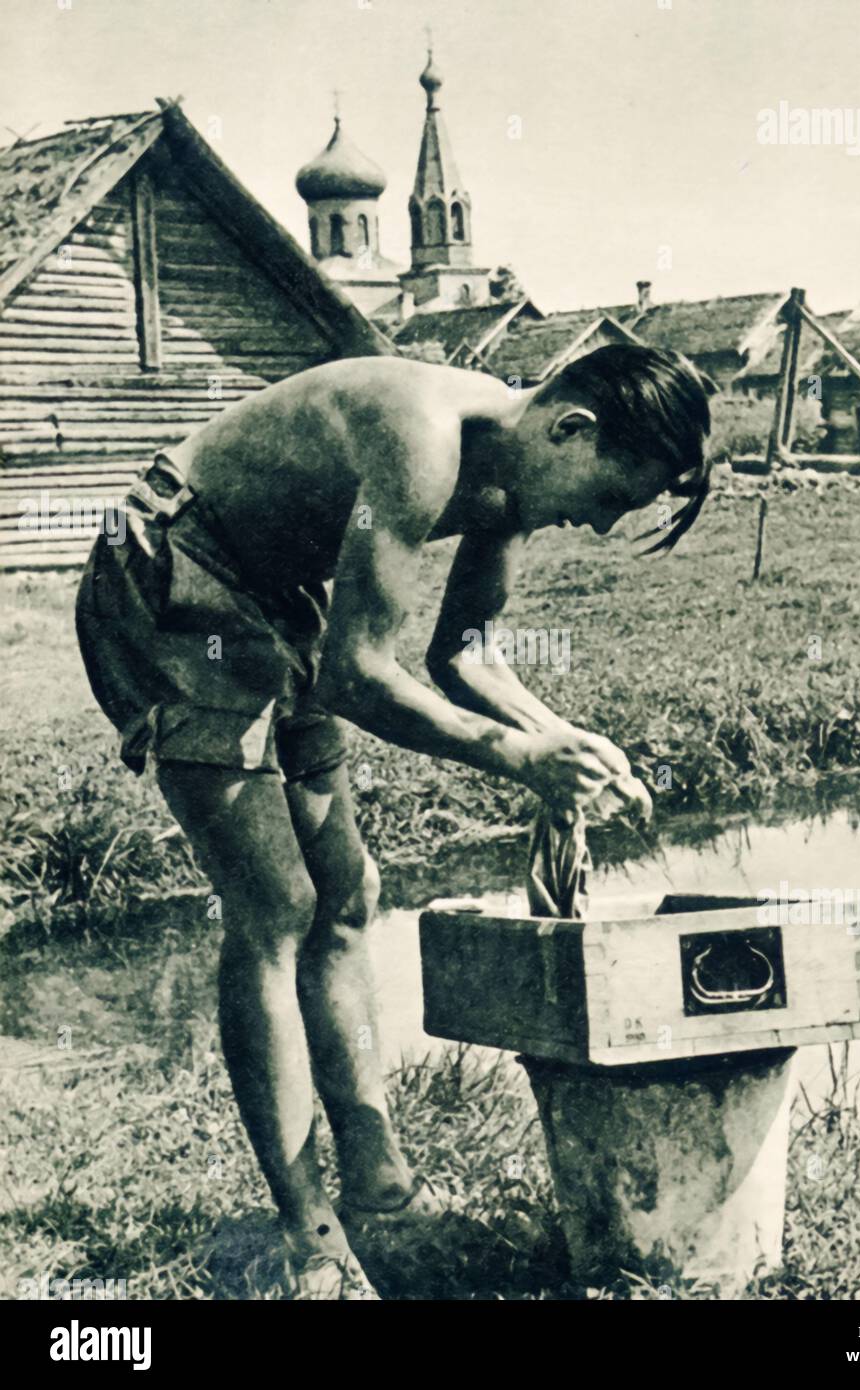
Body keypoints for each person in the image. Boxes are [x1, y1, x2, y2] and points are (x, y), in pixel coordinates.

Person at [75, 343, 713, 1298]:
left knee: (348, 896)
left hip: (271, 598)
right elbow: (357, 674)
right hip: (168, 573)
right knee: (277, 906)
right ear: (570, 427)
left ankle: (379, 1197)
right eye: (609, 496)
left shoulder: (508, 482)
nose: (596, 521)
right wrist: (513, 755)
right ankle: (307, 1240)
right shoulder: (421, 435)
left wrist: (562, 739)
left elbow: (465, 659)